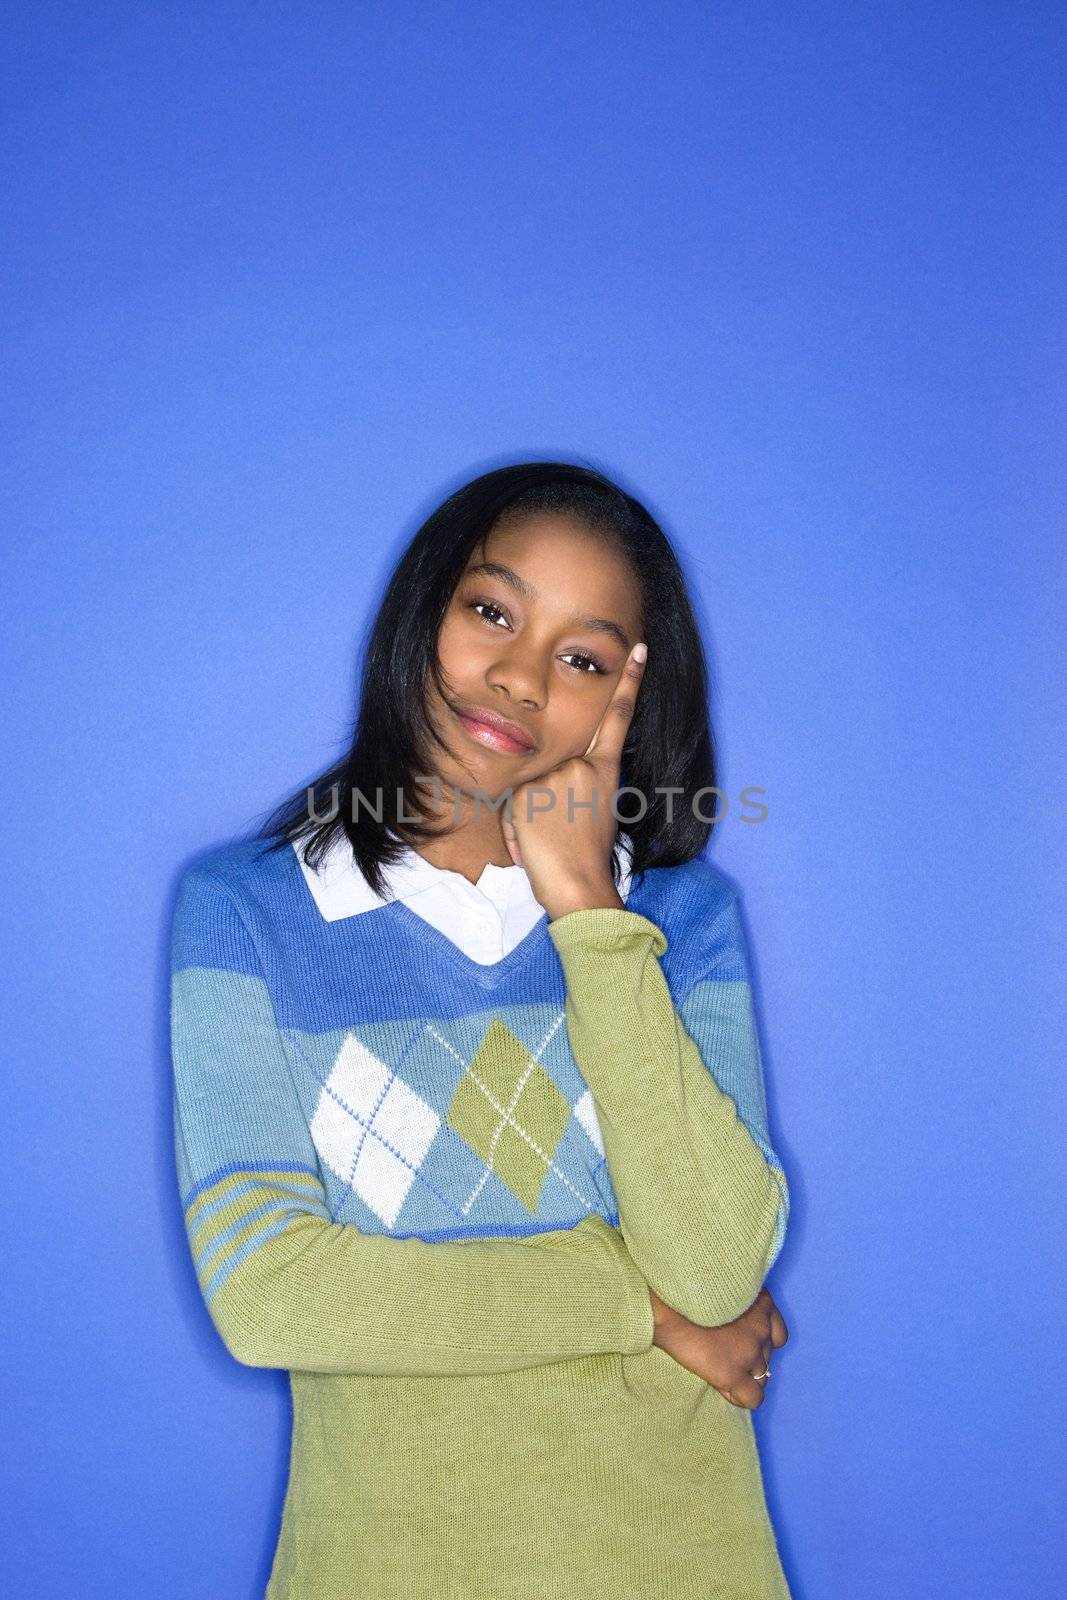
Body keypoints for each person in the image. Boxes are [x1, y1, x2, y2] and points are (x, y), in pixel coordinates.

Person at [169, 461, 793, 1598]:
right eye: (491, 611)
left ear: (629, 700)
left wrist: (590, 921)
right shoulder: (245, 911)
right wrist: (638, 1315)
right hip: (379, 1564)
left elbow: (715, 1268)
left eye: (582, 657)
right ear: (425, 611)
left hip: (673, 1558)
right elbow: (270, 1295)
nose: (515, 678)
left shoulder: (678, 922)